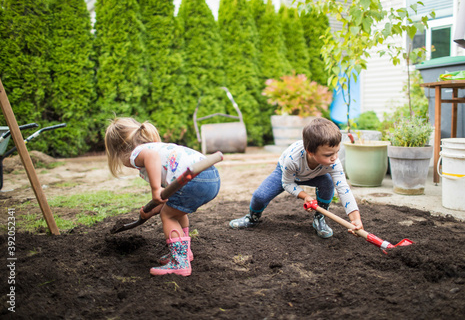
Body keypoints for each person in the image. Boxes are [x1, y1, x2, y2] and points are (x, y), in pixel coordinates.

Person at [105, 117, 220, 276]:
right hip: (210, 176)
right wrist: (152, 210)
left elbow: (151, 157)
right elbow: (171, 196)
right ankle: (184, 253)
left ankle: (180, 262)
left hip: (193, 179)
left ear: (120, 150)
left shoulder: (137, 152)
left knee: (168, 215)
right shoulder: (159, 148)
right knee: (177, 211)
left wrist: (155, 189)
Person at [229, 117, 363, 238]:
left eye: (337, 152)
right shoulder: (292, 159)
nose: (334, 158)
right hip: (286, 174)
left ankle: (319, 218)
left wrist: (355, 218)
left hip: (315, 174)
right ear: (310, 151)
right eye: (328, 155)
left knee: (327, 182)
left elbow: (343, 189)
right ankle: (252, 218)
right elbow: (287, 183)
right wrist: (305, 196)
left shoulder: (334, 163)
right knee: (259, 196)